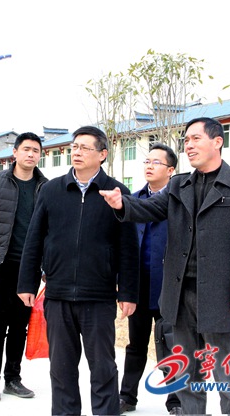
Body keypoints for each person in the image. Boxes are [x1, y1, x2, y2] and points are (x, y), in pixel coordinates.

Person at [101, 117, 230, 415]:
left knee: (227, 372)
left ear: (217, 142)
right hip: (180, 294)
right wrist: (122, 204)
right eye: (186, 140)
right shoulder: (179, 185)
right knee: (188, 371)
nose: (188, 145)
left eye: (195, 139)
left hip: (221, 295)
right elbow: (150, 208)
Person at [18, 125, 139, 416]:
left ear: (102, 154)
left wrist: (128, 293)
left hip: (98, 296)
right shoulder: (51, 190)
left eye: (85, 147)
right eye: (74, 147)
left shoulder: (117, 193)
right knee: (61, 370)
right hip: (58, 294)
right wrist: (27, 283)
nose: (77, 152)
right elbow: (34, 238)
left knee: (103, 368)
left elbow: (127, 247)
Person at [0, 132, 48, 401]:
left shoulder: (45, 186)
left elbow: (49, 231)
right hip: (0, 263)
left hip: (30, 267)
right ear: (14, 152)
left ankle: (13, 379)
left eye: (36, 151)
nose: (31, 154)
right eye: (26, 149)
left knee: (20, 324)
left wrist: (47, 267)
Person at [119, 143, 181, 415]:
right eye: (147, 161)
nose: (149, 166)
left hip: (169, 288)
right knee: (136, 345)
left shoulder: (179, 204)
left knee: (171, 346)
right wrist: (124, 286)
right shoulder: (133, 201)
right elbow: (124, 247)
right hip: (140, 287)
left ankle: (176, 401)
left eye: (156, 162)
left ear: (170, 170)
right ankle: (127, 397)